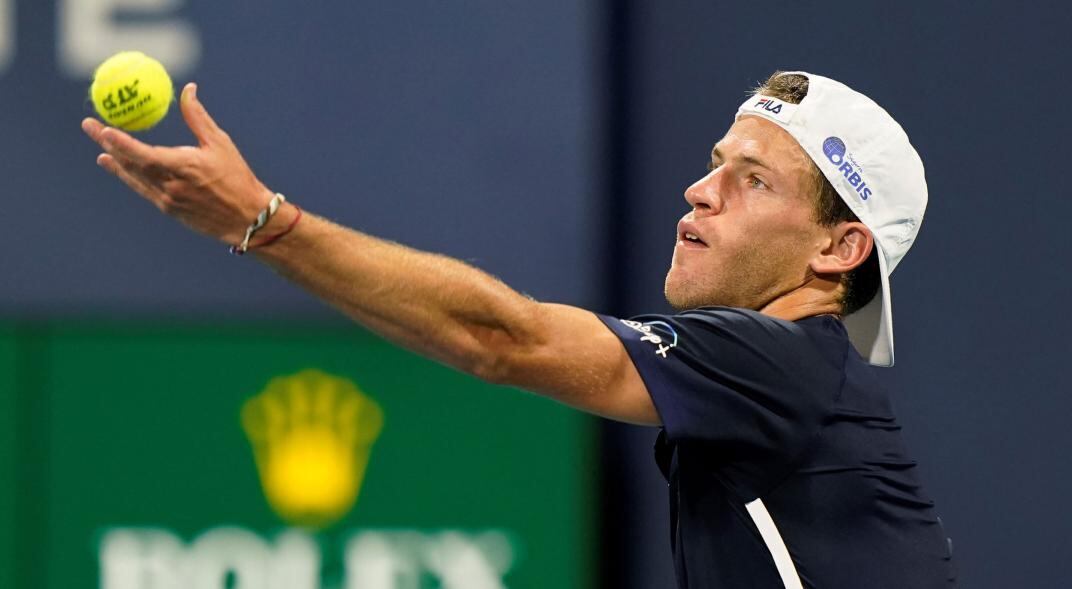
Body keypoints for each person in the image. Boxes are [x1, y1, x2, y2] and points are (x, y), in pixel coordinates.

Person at [82, 70, 956, 588]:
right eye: (715, 163)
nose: (701, 190)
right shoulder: (788, 383)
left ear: (840, 250)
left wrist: (267, 222)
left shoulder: (781, 363)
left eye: (755, 182)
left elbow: (506, 339)